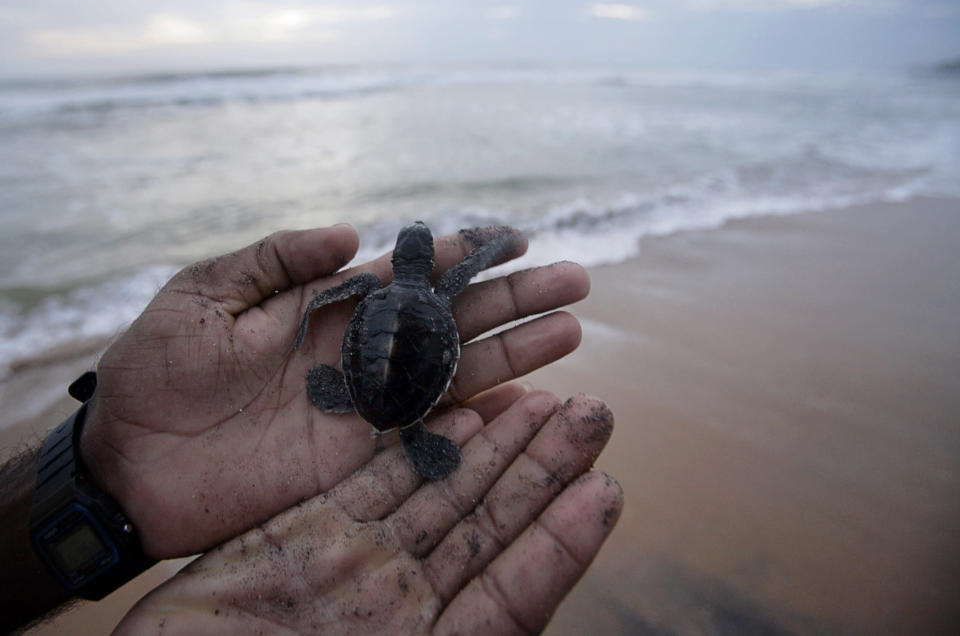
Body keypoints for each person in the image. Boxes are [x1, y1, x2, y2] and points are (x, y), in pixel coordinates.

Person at [1, 223, 622, 634]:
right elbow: (464, 271)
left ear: (402, 261)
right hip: (413, 384)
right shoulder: (445, 291)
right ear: (429, 265)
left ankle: (374, 412)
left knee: (358, 383)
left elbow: (329, 300)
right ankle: (413, 430)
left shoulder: (366, 291)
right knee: (421, 404)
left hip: (356, 385)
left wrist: (305, 328)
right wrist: (493, 245)